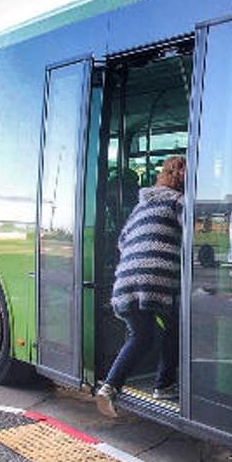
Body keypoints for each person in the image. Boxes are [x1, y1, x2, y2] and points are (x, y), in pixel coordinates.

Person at [95, 156, 187, 416]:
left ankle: (110, 387)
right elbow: (196, 233)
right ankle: (164, 384)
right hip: (156, 279)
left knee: (142, 335)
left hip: (126, 279)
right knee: (175, 327)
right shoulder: (178, 202)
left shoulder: (141, 206)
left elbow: (122, 241)